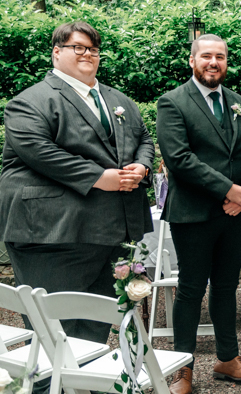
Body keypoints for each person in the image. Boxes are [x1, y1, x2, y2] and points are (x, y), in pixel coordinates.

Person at [0, 21, 153, 345]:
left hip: (111, 228)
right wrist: (99, 178)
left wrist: (141, 165)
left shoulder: (117, 99)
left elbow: (143, 137)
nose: (88, 54)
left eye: (93, 49)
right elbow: (39, 151)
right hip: (51, 233)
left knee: (97, 319)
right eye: (78, 47)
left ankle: (88, 389)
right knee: (51, 324)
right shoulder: (29, 101)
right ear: (57, 53)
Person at [157, 34, 241, 394]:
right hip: (193, 213)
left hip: (235, 213)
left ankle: (228, 358)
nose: (213, 62)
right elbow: (179, 159)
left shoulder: (238, 103)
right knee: (189, 289)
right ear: (193, 61)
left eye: (220, 56)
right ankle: (182, 367)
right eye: (206, 56)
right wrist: (228, 190)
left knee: (225, 286)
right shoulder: (172, 103)